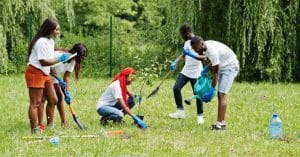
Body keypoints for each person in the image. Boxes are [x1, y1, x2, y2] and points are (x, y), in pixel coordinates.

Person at [25, 17, 71, 134]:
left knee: (53, 99)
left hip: (45, 73)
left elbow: (49, 63)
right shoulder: (41, 42)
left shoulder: (50, 41)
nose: (58, 32)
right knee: (35, 103)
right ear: (49, 29)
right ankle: (35, 129)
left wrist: (58, 78)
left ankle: (48, 125)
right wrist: (59, 58)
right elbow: (43, 61)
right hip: (35, 71)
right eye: (56, 30)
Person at [189, 36, 239, 130]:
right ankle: (222, 123)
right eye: (194, 50)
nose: (196, 51)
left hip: (230, 67)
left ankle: (219, 125)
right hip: (223, 66)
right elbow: (214, 63)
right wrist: (206, 68)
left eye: (196, 48)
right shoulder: (205, 48)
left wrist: (212, 90)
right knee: (220, 95)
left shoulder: (211, 51)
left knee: (222, 94)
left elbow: (215, 73)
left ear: (202, 44)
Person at [41, 43, 88, 127]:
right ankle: (49, 124)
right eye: (81, 56)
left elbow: (66, 77)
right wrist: (58, 79)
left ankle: (63, 122)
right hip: (44, 74)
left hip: (53, 78)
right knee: (52, 100)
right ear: (75, 53)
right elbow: (50, 67)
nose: (82, 59)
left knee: (60, 96)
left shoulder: (72, 62)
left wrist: (67, 92)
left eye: (83, 57)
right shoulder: (60, 55)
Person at [168, 24, 205, 125]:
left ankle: (200, 116)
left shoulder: (199, 42)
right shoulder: (187, 43)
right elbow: (184, 55)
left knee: (197, 94)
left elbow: (203, 57)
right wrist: (175, 62)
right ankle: (180, 112)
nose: (182, 36)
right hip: (186, 71)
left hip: (197, 72)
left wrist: (192, 54)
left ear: (187, 33)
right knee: (176, 88)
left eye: (182, 34)